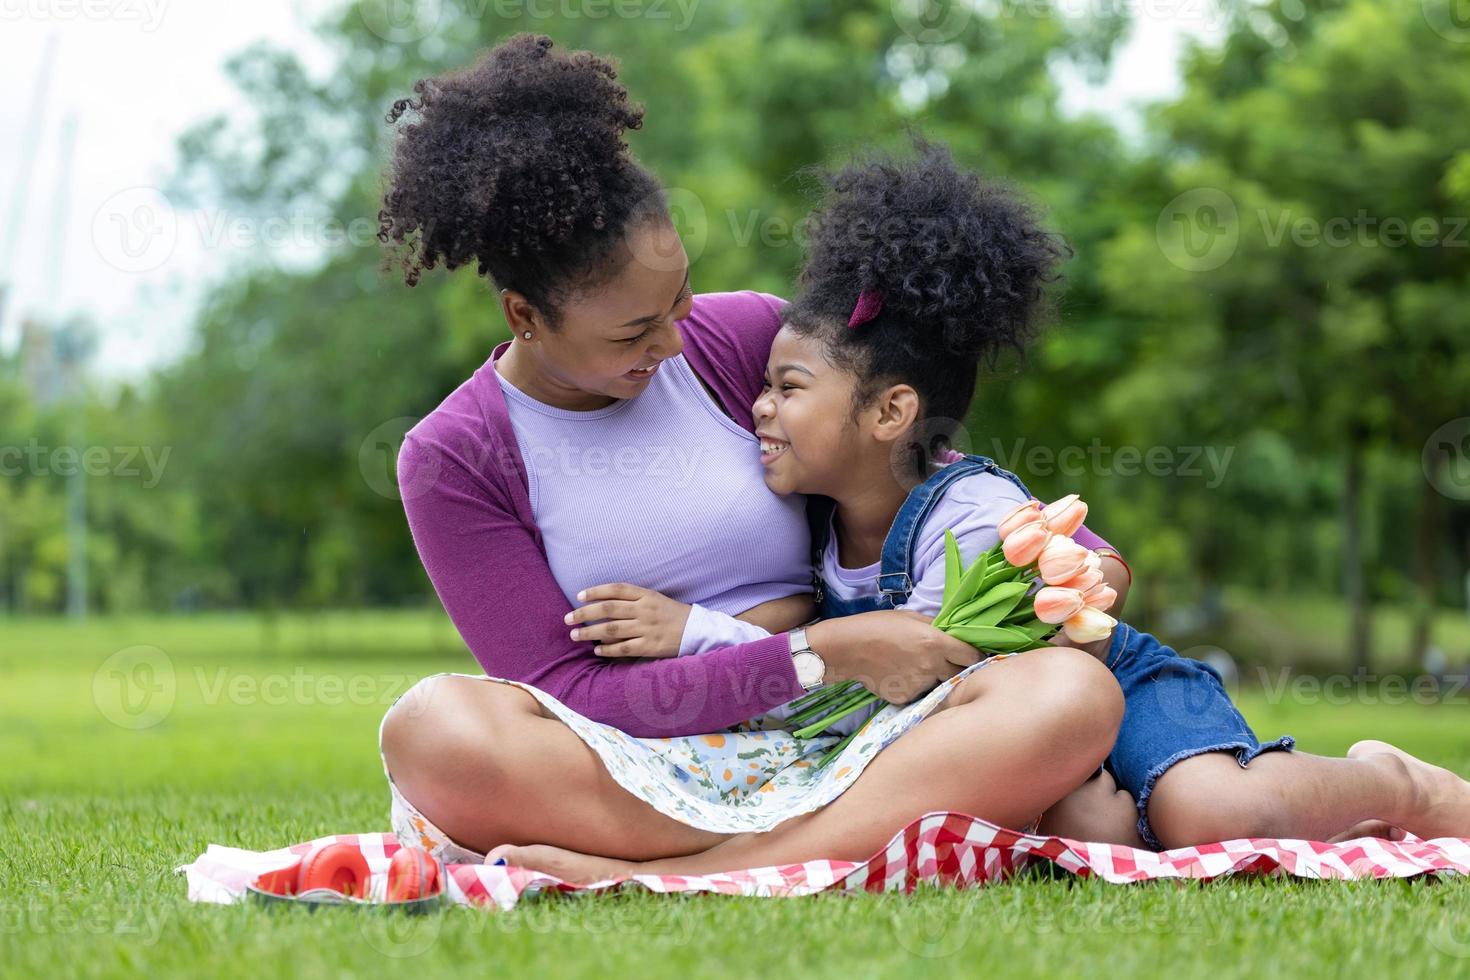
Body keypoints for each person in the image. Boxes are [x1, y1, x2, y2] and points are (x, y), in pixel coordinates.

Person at [505, 143, 1470, 881]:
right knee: (1093, 834)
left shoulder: (968, 510)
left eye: (787, 387)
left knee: (1206, 812)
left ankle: (1398, 783)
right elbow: (844, 677)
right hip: (1009, 737)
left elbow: (932, 659)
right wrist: (686, 636)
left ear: (890, 412)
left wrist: (694, 631)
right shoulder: (815, 518)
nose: (757, 407)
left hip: (1115, 685)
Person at [375, 35, 1123, 868]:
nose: (672, 338)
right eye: (633, 330)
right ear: (525, 316)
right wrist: (816, 654)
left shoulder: (735, 336)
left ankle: (710, 873)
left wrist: (1067, 559)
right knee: (432, 728)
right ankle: (823, 843)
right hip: (658, 763)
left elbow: (906, 460)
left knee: (1069, 692)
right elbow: (568, 693)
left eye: (679, 295)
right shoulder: (457, 456)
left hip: (874, 727)